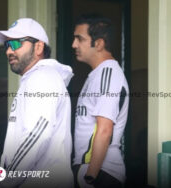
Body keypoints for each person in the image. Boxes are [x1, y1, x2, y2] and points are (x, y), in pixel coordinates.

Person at [0, 18, 74, 187]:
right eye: (6, 45)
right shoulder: (35, 79)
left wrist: (7, 181)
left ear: (38, 47)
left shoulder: (42, 78)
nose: (8, 51)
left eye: (15, 44)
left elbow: (36, 135)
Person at [72, 14, 129, 188]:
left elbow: (104, 129)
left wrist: (90, 176)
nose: (74, 45)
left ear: (99, 43)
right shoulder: (98, 74)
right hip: (91, 170)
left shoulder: (108, 74)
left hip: (100, 173)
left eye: (79, 39)